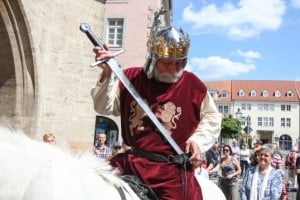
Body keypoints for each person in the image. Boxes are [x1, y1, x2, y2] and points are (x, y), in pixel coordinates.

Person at [91, 25, 222, 200]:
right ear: (154, 58)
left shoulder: (192, 84)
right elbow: (103, 107)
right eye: (168, 62)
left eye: (180, 62)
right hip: (130, 162)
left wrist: (198, 141)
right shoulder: (131, 78)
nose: (175, 68)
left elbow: (212, 117)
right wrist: (107, 74)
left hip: (171, 172)